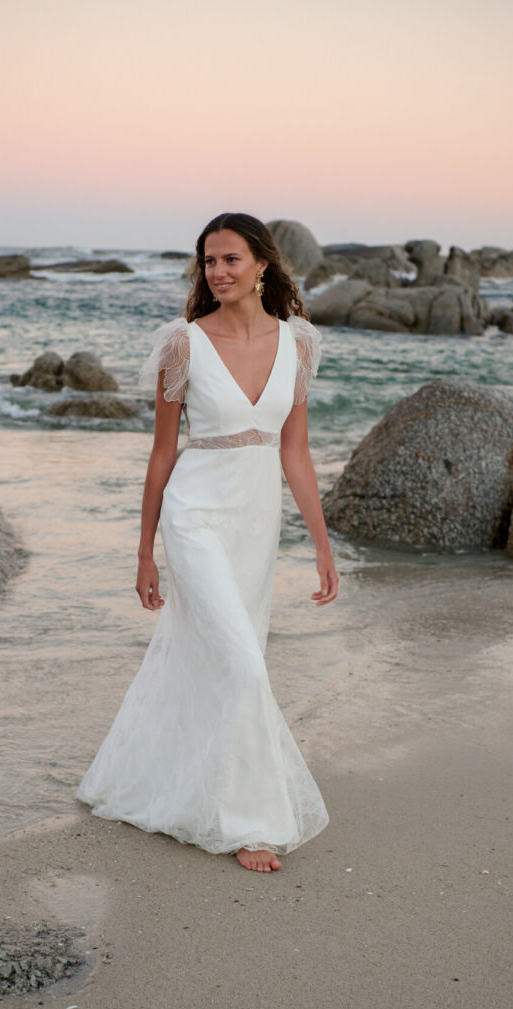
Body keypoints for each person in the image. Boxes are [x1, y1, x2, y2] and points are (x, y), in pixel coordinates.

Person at [77, 212, 338, 873]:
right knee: (245, 666)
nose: (217, 272)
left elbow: (297, 452)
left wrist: (322, 543)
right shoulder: (183, 345)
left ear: (262, 266)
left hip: (256, 521)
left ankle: (175, 776)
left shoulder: (298, 344)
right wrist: (144, 550)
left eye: (229, 260)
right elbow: (162, 455)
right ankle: (249, 823)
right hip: (194, 514)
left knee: (222, 660)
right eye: (208, 262)